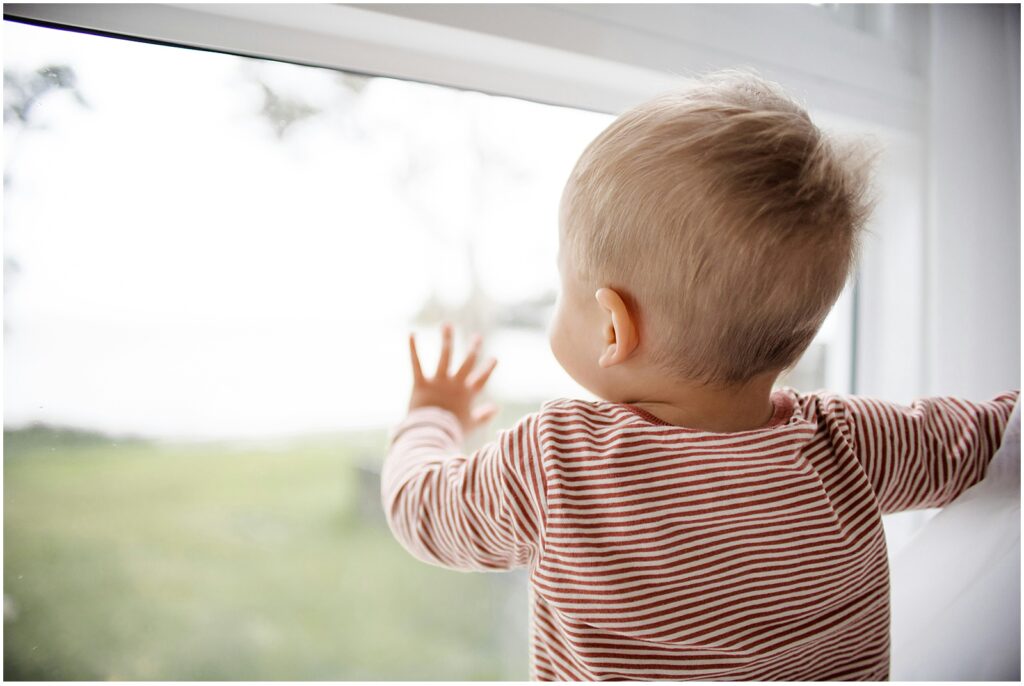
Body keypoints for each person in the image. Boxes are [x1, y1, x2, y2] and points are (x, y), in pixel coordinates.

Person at [379, 69, 1019, 681]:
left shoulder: (558, 461)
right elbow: (998, 434)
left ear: (612, 329)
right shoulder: (849, 442)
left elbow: (423, 510)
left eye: (562, 283)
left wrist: (431, 415)